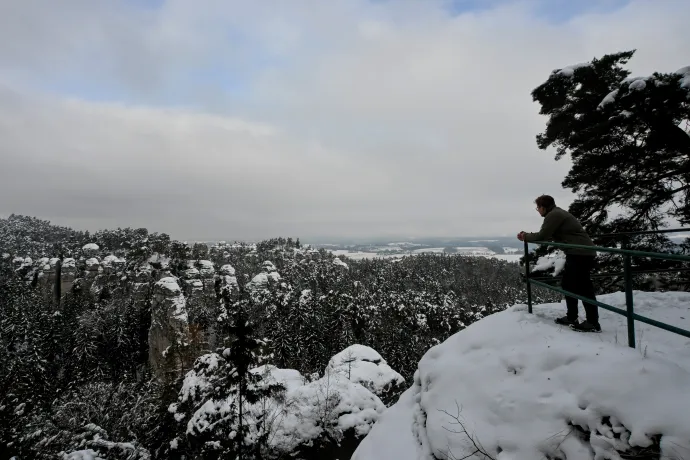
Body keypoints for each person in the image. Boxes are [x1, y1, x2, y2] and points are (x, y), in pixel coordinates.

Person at [517, 195, 601, 332]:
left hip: (581, 253)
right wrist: (528, 235)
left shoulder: (554, 215)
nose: (537, 210)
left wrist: (525, 236)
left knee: (584, 287)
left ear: (543, 207)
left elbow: (542, 236)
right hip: (578, 252)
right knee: (569, 284)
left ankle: (593, 323)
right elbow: (548, 233)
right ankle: (572, 316)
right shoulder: (556, 213)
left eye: (538, 207)